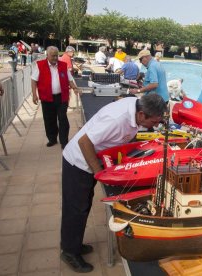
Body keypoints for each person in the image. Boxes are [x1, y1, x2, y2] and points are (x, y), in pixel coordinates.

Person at [60, 93, 167, 273]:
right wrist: (98, 173)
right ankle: (69, 251)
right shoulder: (116, 119)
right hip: (78, 162)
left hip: (95, 157)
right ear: (142, 115)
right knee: (75, 209)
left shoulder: (136, 106)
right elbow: (84, 142)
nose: (155, 125)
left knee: (83, 206)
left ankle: (74, 243)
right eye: (154, 122)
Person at [31, 46, 81, 149]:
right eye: (52, 56)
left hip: (61, 97)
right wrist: (34, 94)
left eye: (56, 55)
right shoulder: (40, 65)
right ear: (47, 55)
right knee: (49, 120)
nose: (55, 58)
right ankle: (52, 139)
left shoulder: (63, 65)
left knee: (63, 119)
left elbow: (69, 79)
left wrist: (75, 88)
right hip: (46, 98)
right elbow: (34, 80)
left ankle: (64, 141)